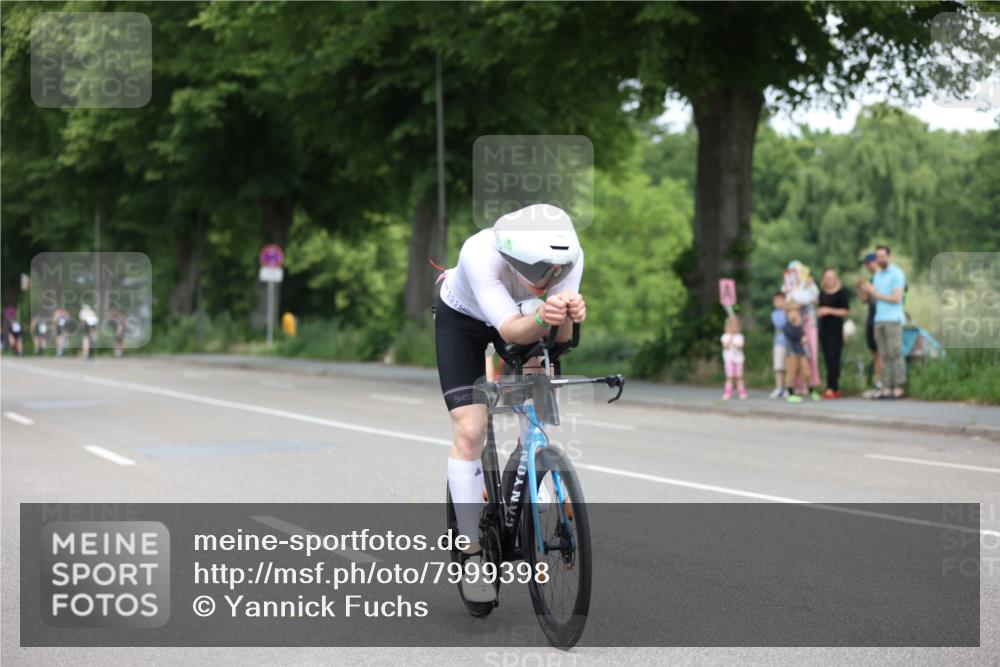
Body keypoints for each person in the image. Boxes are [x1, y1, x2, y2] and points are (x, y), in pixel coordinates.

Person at [435, 203, 584, 606]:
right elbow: (511, 331)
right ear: (512, 258)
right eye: (539, 271)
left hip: (523, 316)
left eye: (556, 271)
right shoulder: (481, 254)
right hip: (465, 320)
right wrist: (546, 316)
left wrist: (569, 315)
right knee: (470, 430)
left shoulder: (567, 256)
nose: (549, 278)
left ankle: (531, 466)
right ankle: (470, 551)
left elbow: (561, 340)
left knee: (539, 398)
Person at [861, 245, 906, 399]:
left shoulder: (896, 274)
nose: (880, 259)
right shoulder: (877, 276)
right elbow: (870, 299)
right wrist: (864, 290)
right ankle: (887, 385)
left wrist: (876, 293)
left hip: (893, 319)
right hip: (878, 319)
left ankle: (899, 385)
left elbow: (896, 298)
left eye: (883, 256)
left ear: (888, 256)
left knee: (896, 352)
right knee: (884, 355)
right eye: (878, 257)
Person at [783, 261, 821, 401]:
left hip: (808, 324)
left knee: (809, 356)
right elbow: (788, 305)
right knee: (794, 359)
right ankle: (794, 387)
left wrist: (808, 288)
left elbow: (815, 299)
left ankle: (810, 384)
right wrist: (798, 302)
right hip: (795, 327)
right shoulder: (789, 287)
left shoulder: (809, 284)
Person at [817, 268, 850, 399]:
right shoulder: (821, 294)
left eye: (832, 277)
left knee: (834, 357)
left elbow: (846, 311)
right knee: (826, 358)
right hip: (824, 329)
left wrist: (829, 310)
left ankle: (833, 387)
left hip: (836, 329)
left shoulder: (842, 293)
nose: (829, 279)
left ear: (836, 278)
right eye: (827, 277)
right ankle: (829, 386)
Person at [856, 253, 883, 396]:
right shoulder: (872, 279)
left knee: (881, 352)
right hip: (871, 319)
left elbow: (883, 296)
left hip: (882, 319)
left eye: (867, 264)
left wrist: (869, 288)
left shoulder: (884, 277)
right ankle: (877, 382)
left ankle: (882, 383)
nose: (866, 267)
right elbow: (864, 299)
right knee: (875, 353)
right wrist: (860, 287)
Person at [782, 305, 809, 403]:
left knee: (805, 371)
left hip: (801, 351)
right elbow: (794, 335)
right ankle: (790, 393)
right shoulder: (786, 326)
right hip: (791, 352)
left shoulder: (799, 324)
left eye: (796, 311)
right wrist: (797, 324)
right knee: (791, 373)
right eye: (792, 311)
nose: (794, 314)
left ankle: (806, 389)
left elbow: (801, 336)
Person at [720, 315, 747, 400]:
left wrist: (735, 343)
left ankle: (742, 393)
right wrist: (730, 339)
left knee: (739, 376)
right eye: (731, 326)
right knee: (730, 377)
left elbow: (741, 346)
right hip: (729, 360)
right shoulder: (725, 336)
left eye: (735, 326)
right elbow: (725, 346)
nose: (733, 328)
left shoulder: (740, 337)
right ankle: (728, 393)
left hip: (738, 360)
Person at [770, 292, 787, 399]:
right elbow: (780, 324)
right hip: (779, 342)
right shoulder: (775, 314)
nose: (779, 302)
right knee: (778, 366)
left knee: (788, 367)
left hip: (789, 343)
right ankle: (779, 387)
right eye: (777, 300)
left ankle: (787, 388)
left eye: (781, 300)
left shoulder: (789, 311)